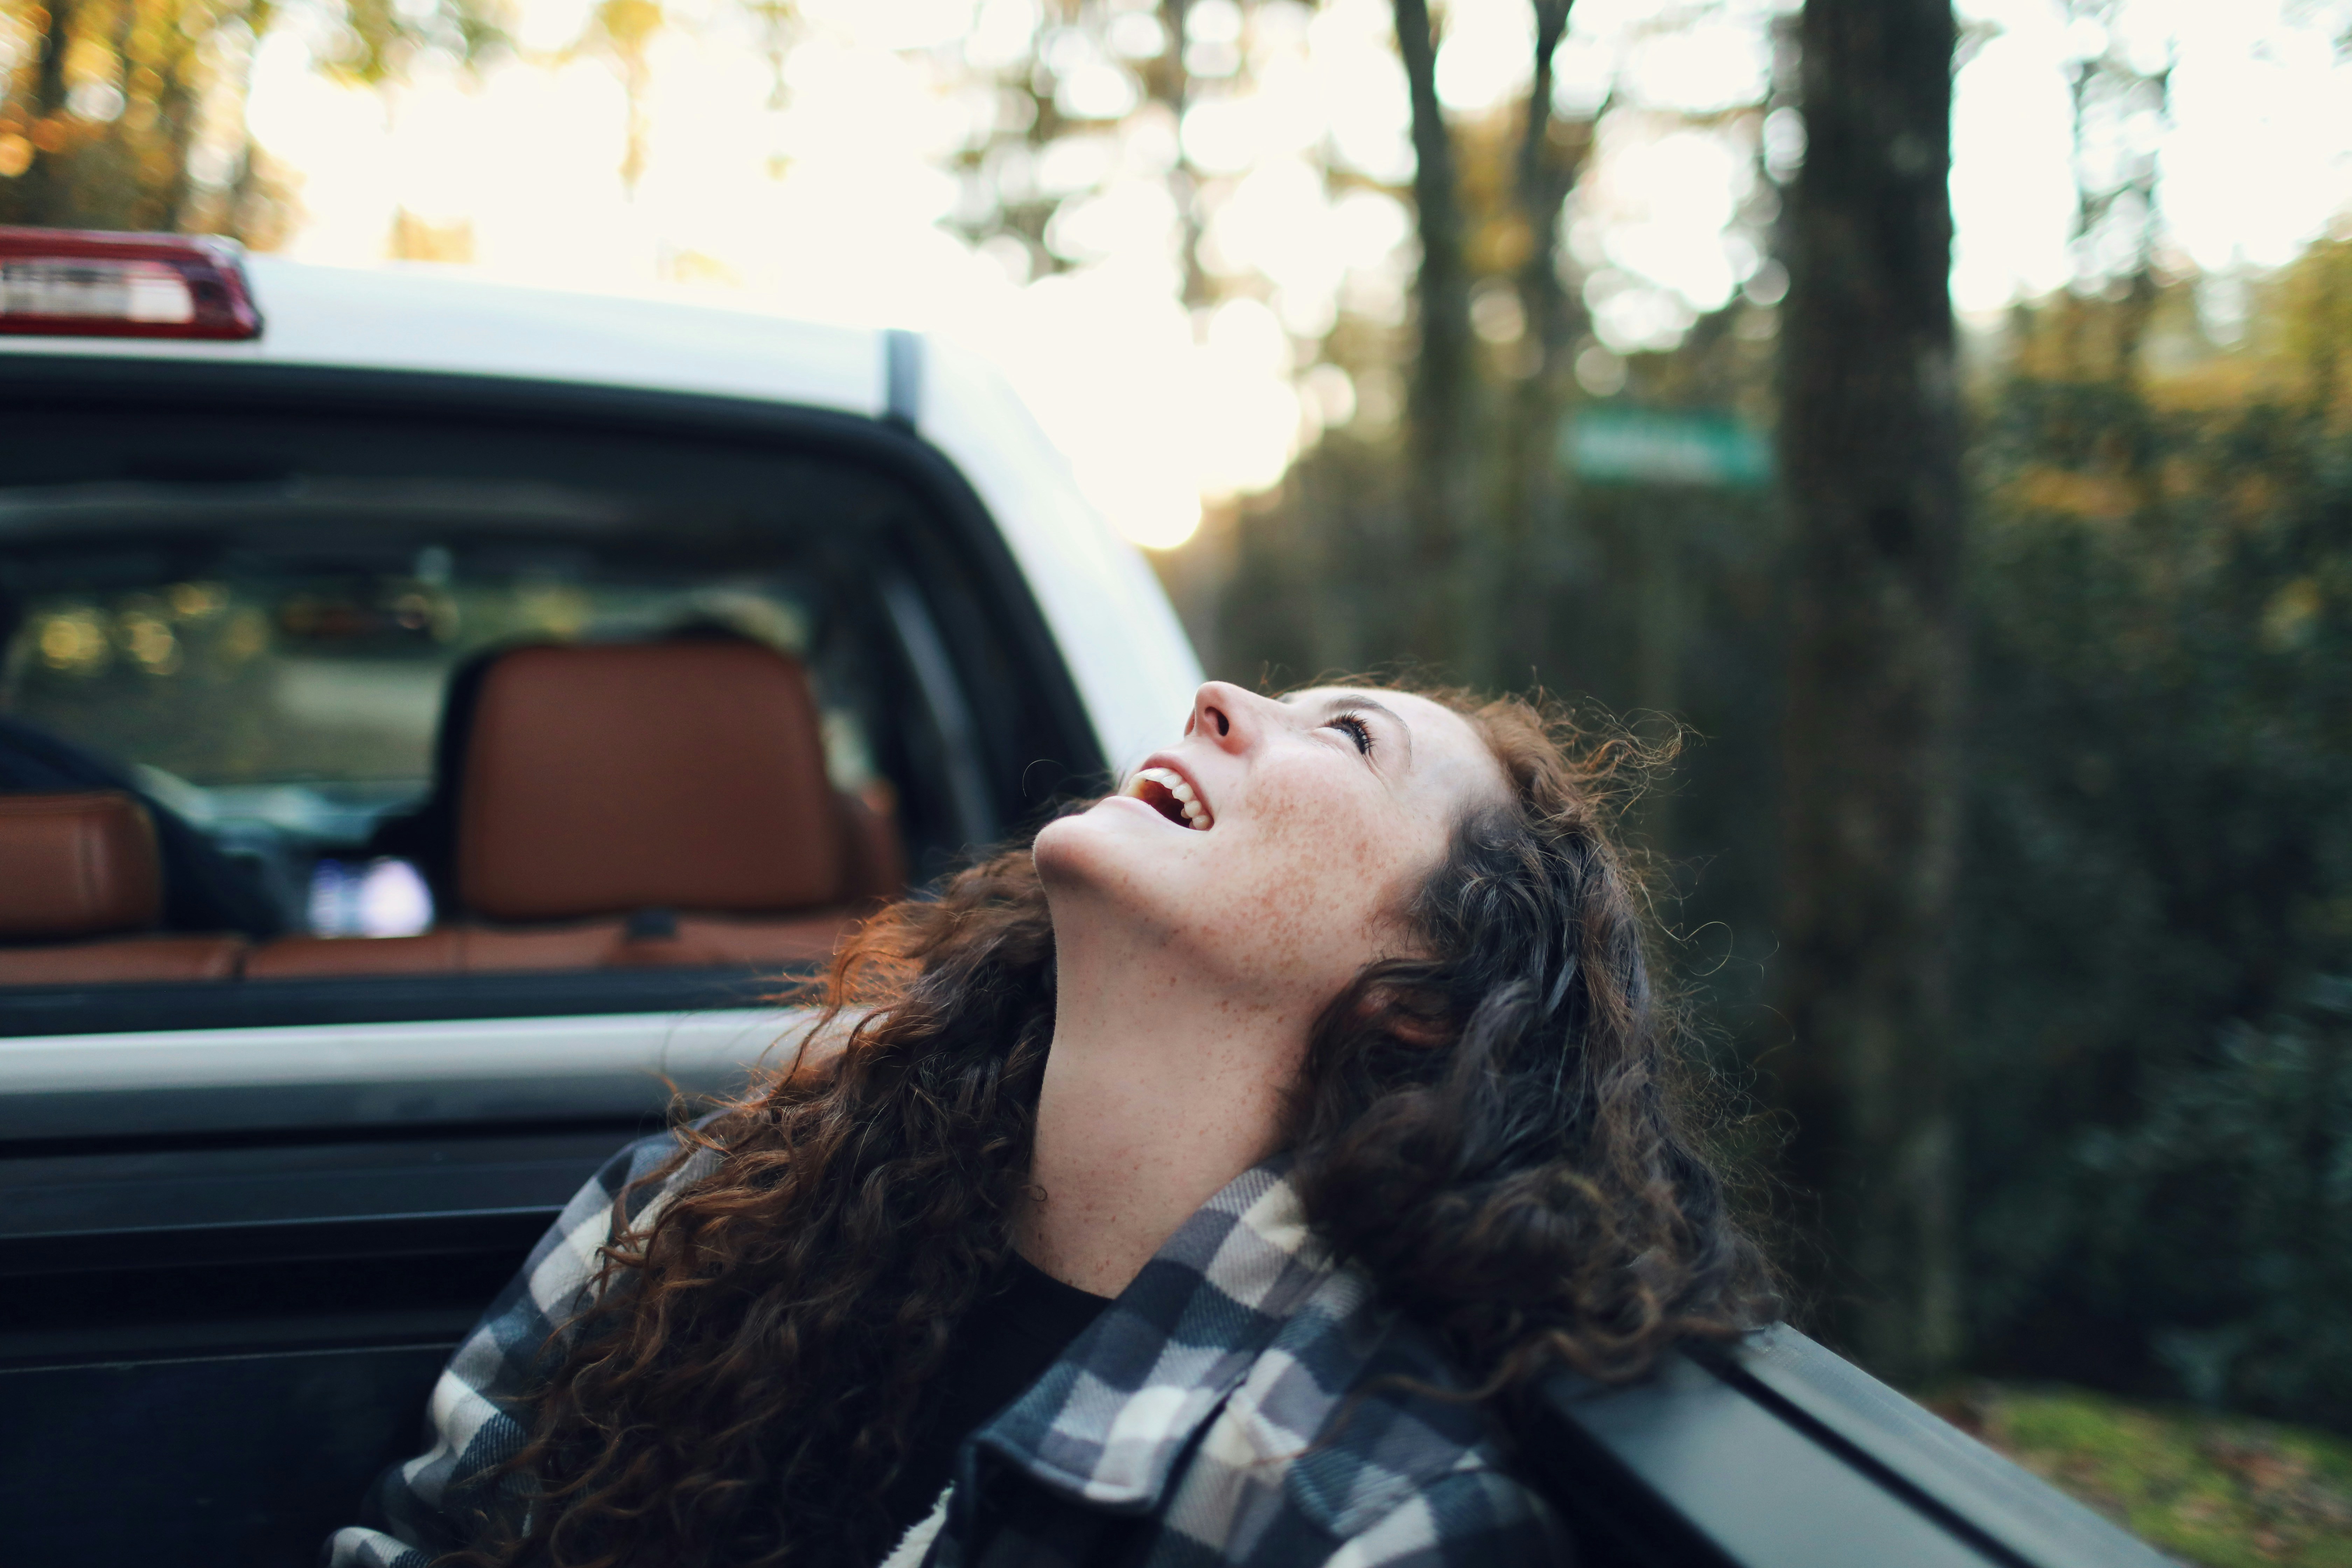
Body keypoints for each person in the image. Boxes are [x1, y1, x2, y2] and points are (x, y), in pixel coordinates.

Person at [327, 679, 1777, 1568]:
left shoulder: (1367, 1513)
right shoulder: (689, 1219)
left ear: (1426, 999)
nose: (1217, 697)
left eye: (1344, 734)